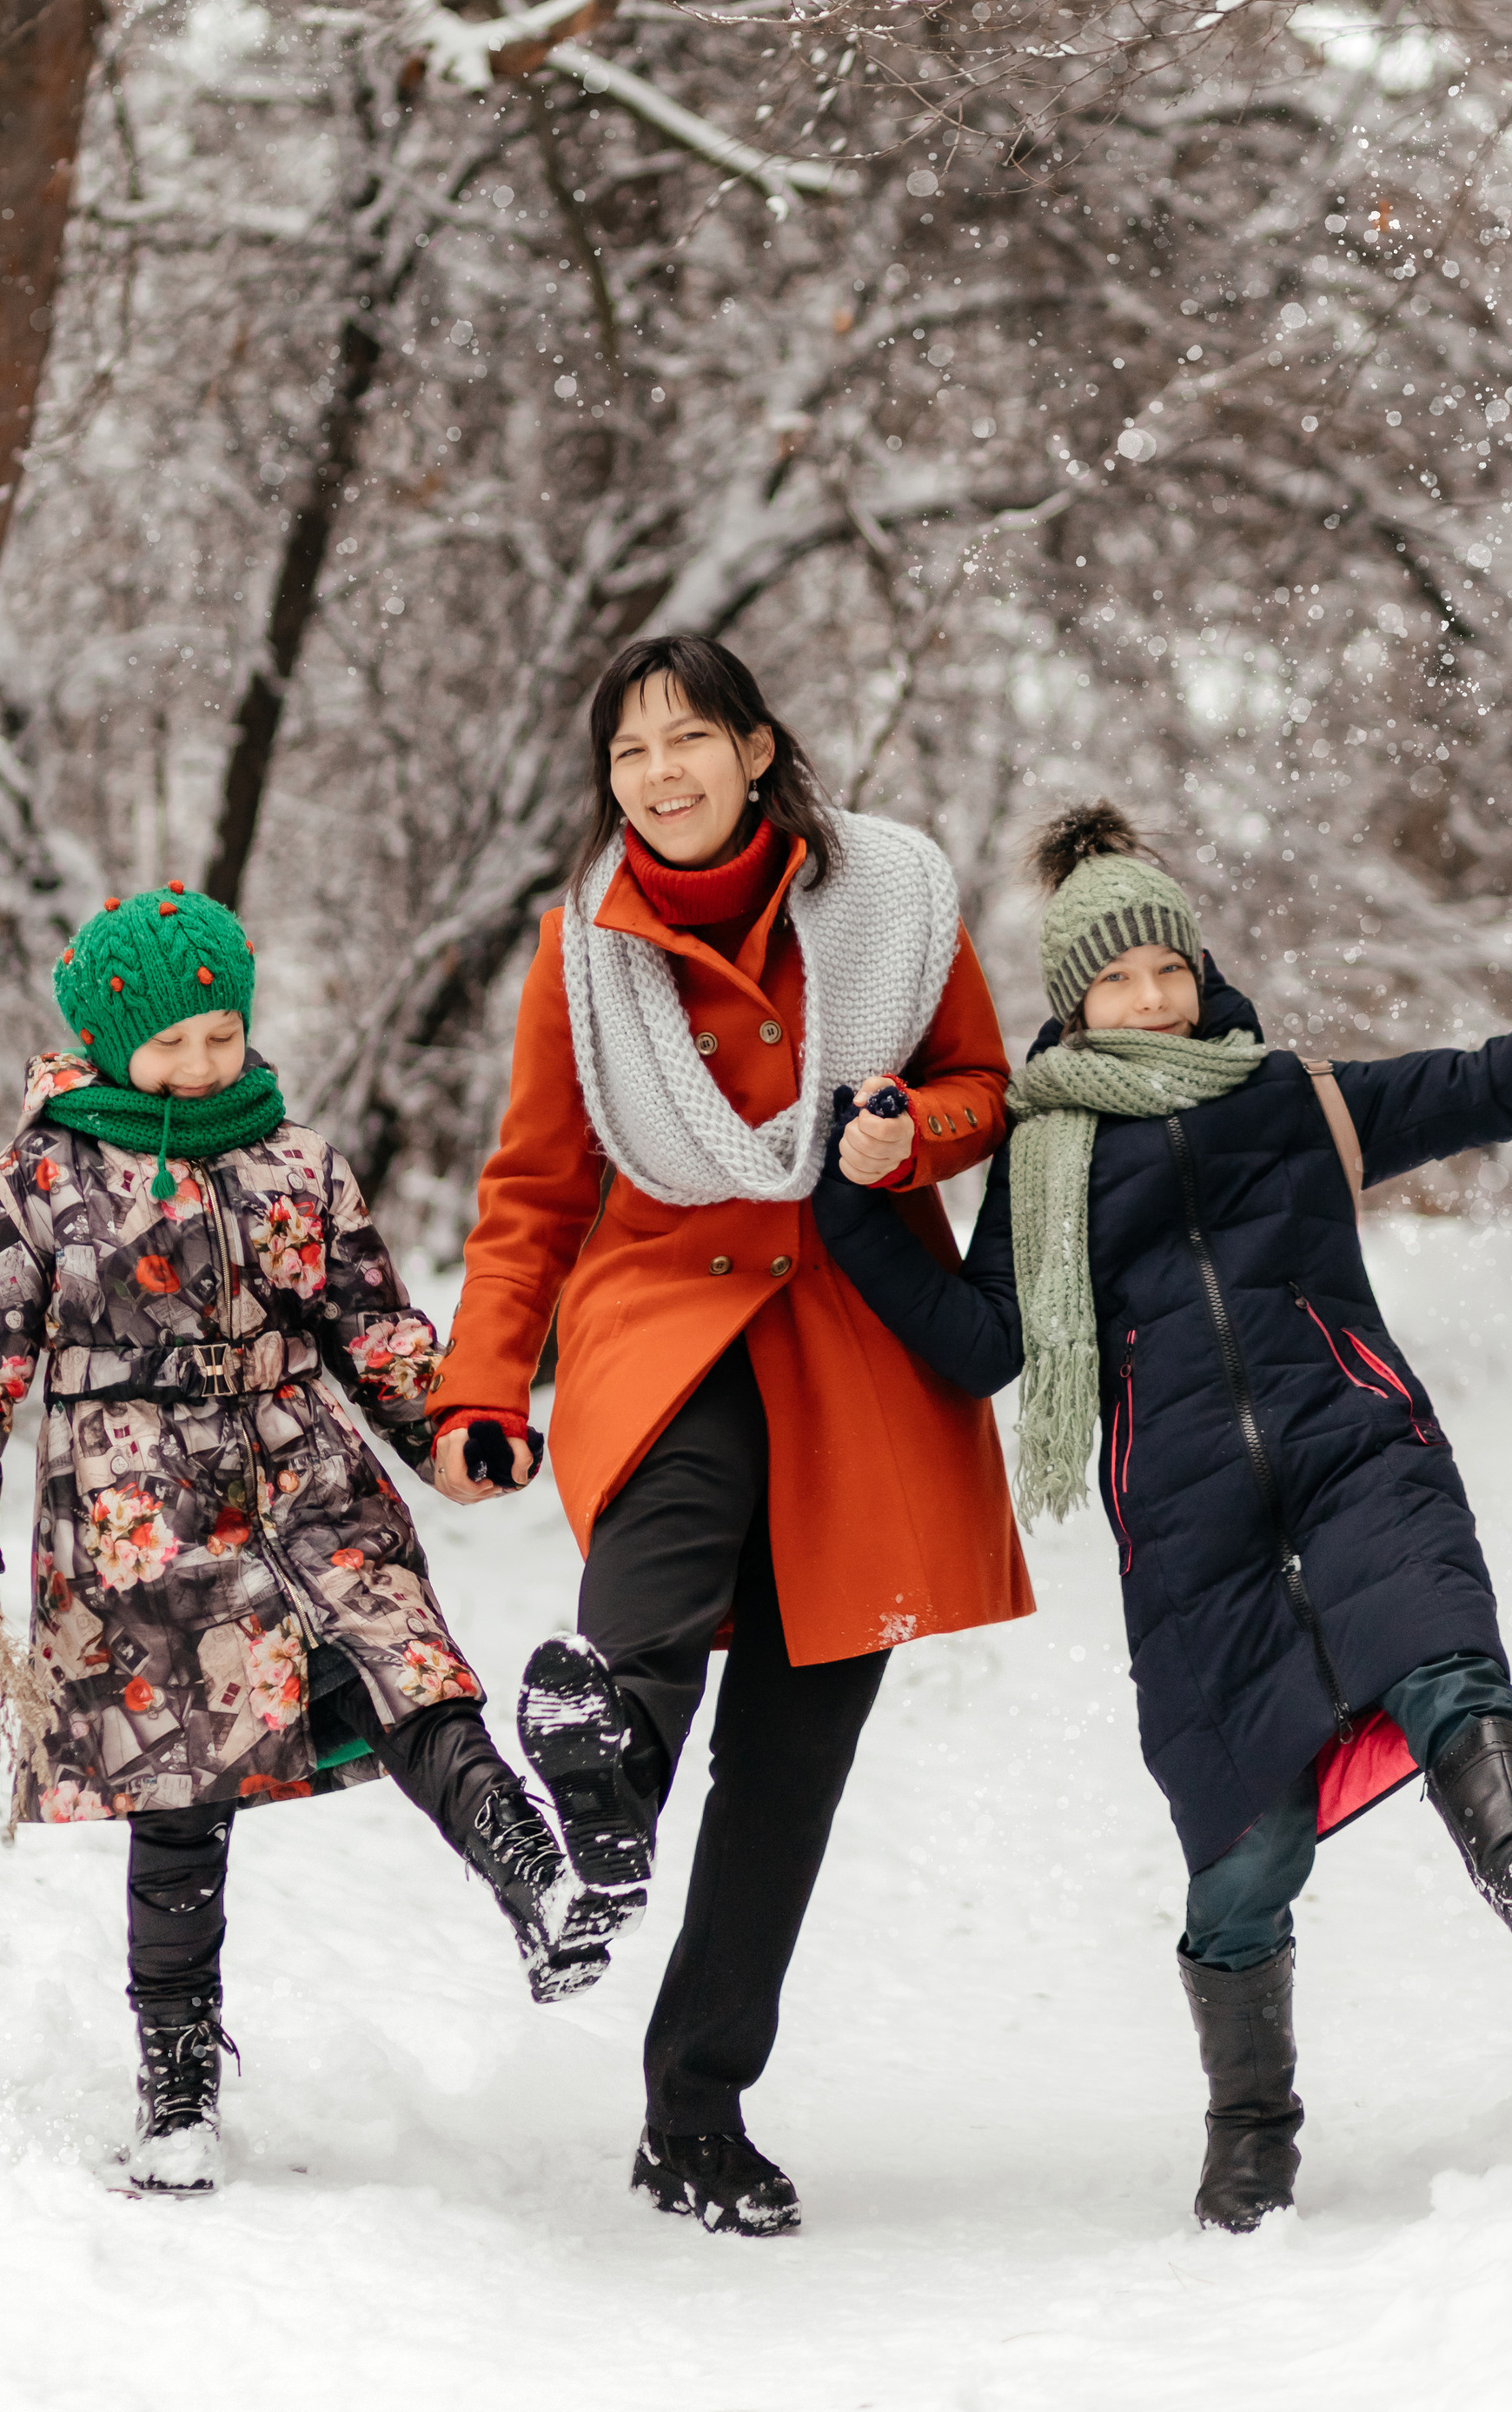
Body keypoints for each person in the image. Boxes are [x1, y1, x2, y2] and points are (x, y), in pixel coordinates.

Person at [810, 801, 1512, 2231]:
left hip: (1355, 1450)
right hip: (1187, 1535)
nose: (1155, 998)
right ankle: (1252, 2137)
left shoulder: (1294, 1099)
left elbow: (1497, 1081)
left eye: (1168, 966)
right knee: (1243, 1851)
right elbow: (984, 1345)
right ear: (1074, 1000)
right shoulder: (1047, 1165)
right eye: (1119, 980)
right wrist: (847, 1201)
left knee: (1445, 1666)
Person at [428, 635, 1032, 2236]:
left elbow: (986, 1081)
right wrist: (484, 1381)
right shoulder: (586, 955)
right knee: (648, 1606)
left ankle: (695, 2110)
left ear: (758, 751)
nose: (661, 773)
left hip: (857, 1341)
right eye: (629, 754)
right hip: (670, 1318)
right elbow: (537, 1188)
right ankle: (604, 1785)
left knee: (786, 1775)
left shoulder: (892, 896)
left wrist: (916, 1136)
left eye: (689, 738)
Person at [0, 882, 580, 2199]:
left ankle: (537, 1880)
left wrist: (458, 1432)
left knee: (408, 1669)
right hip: (137, 1523)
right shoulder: (43, 1176)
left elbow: (377, 1331)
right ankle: (176, 2088)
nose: (205, 1065)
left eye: (222, 1034)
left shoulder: (297, 1160)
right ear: (110, 1042)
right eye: (173, 1044)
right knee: (178, 1798)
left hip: (304, 1478)